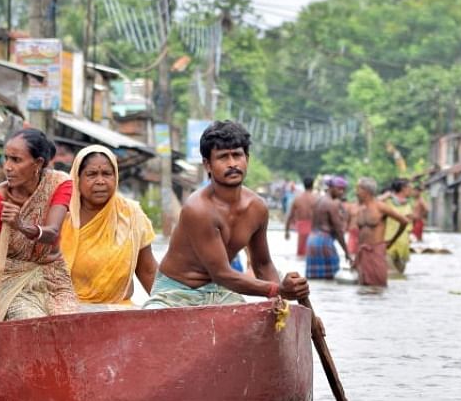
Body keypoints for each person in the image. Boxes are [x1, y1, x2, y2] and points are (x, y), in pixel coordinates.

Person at [145, 120, 308, 309]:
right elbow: (221, 273)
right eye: (223, 157)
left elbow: (263, 265)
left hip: (220, 291)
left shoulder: (257, 207)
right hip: (176, 292)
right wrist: (277, 289)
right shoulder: (197, 208)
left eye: (237, 155)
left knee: (264, 325)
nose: (232, 164)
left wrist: (283, 304)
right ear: (208, 165)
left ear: (247, 158)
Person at [0, 128, 80, 322]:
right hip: (10, 279)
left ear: (38, 163)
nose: (7, 167)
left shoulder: (60, 183)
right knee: (30, 320)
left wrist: (20, 225)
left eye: (16, 160)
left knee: (70, 323)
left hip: (53, 277)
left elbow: (52, 233)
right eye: (6, 158)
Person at [58, 144, 157, 305]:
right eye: (91, 174)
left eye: (107, 174)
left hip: (119, 314)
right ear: (77, 178)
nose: (100, 181)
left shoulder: (131, 214)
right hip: (69, 312)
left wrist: (170, 309)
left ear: (115, 176)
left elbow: (148, 270)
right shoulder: (62, 215)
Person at [353, 177, 410, 288]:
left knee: (378, 286)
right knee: (363, 287)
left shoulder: (380, 207)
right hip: (363, 253)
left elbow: (404, 221)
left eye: (358, 189)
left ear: (366, 191)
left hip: (376, 251)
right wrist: (356, 257)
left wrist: (391, 242)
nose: (356, 192)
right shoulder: (360, 208)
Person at [306, 176, 353, 280]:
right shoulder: (331, 204)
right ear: (331, 188)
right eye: (339, 189)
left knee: (314, 279)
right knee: (331, 278)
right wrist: (347, 252)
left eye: (344, 189)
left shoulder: (318, 201)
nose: (342, 192)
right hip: (324, 242)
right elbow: (338, 231)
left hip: (312, 241)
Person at [383, 178, 415, 275]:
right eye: (410, 188)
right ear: (403, 188)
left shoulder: (408, 204)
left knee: (399, 277)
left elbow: (409, 226)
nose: (411, 190)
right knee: (391, 275)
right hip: (388, 243)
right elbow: (372, 204)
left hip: (403, 245)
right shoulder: (387, 202)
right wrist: (386, 195)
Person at [285, 176, 318, 258]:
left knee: (301, 254)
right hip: (314, 228)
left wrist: (287, 231)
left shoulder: (297, 199)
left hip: (301, 228)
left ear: (304, 185)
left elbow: (290, 216)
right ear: (312, 185)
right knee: (313, 254)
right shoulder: (317, 199)